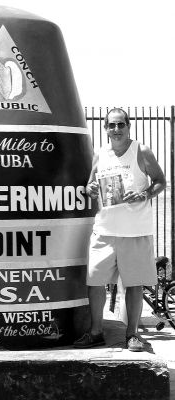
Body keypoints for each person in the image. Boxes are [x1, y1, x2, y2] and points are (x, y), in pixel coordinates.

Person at [73, 108, 166, 352]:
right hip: (104, 230)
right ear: (105, 128)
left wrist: (143, 194)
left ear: (128, 126)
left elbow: (160, 182)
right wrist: (90, 189)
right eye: (111, 125)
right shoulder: (100, 154)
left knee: (134, 284)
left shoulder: (141, 151)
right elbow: (89, 185)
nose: (116, 129)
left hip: (135, 231)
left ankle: (132, 334)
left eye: (120, 125)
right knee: (94, 282)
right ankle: (95, 332)